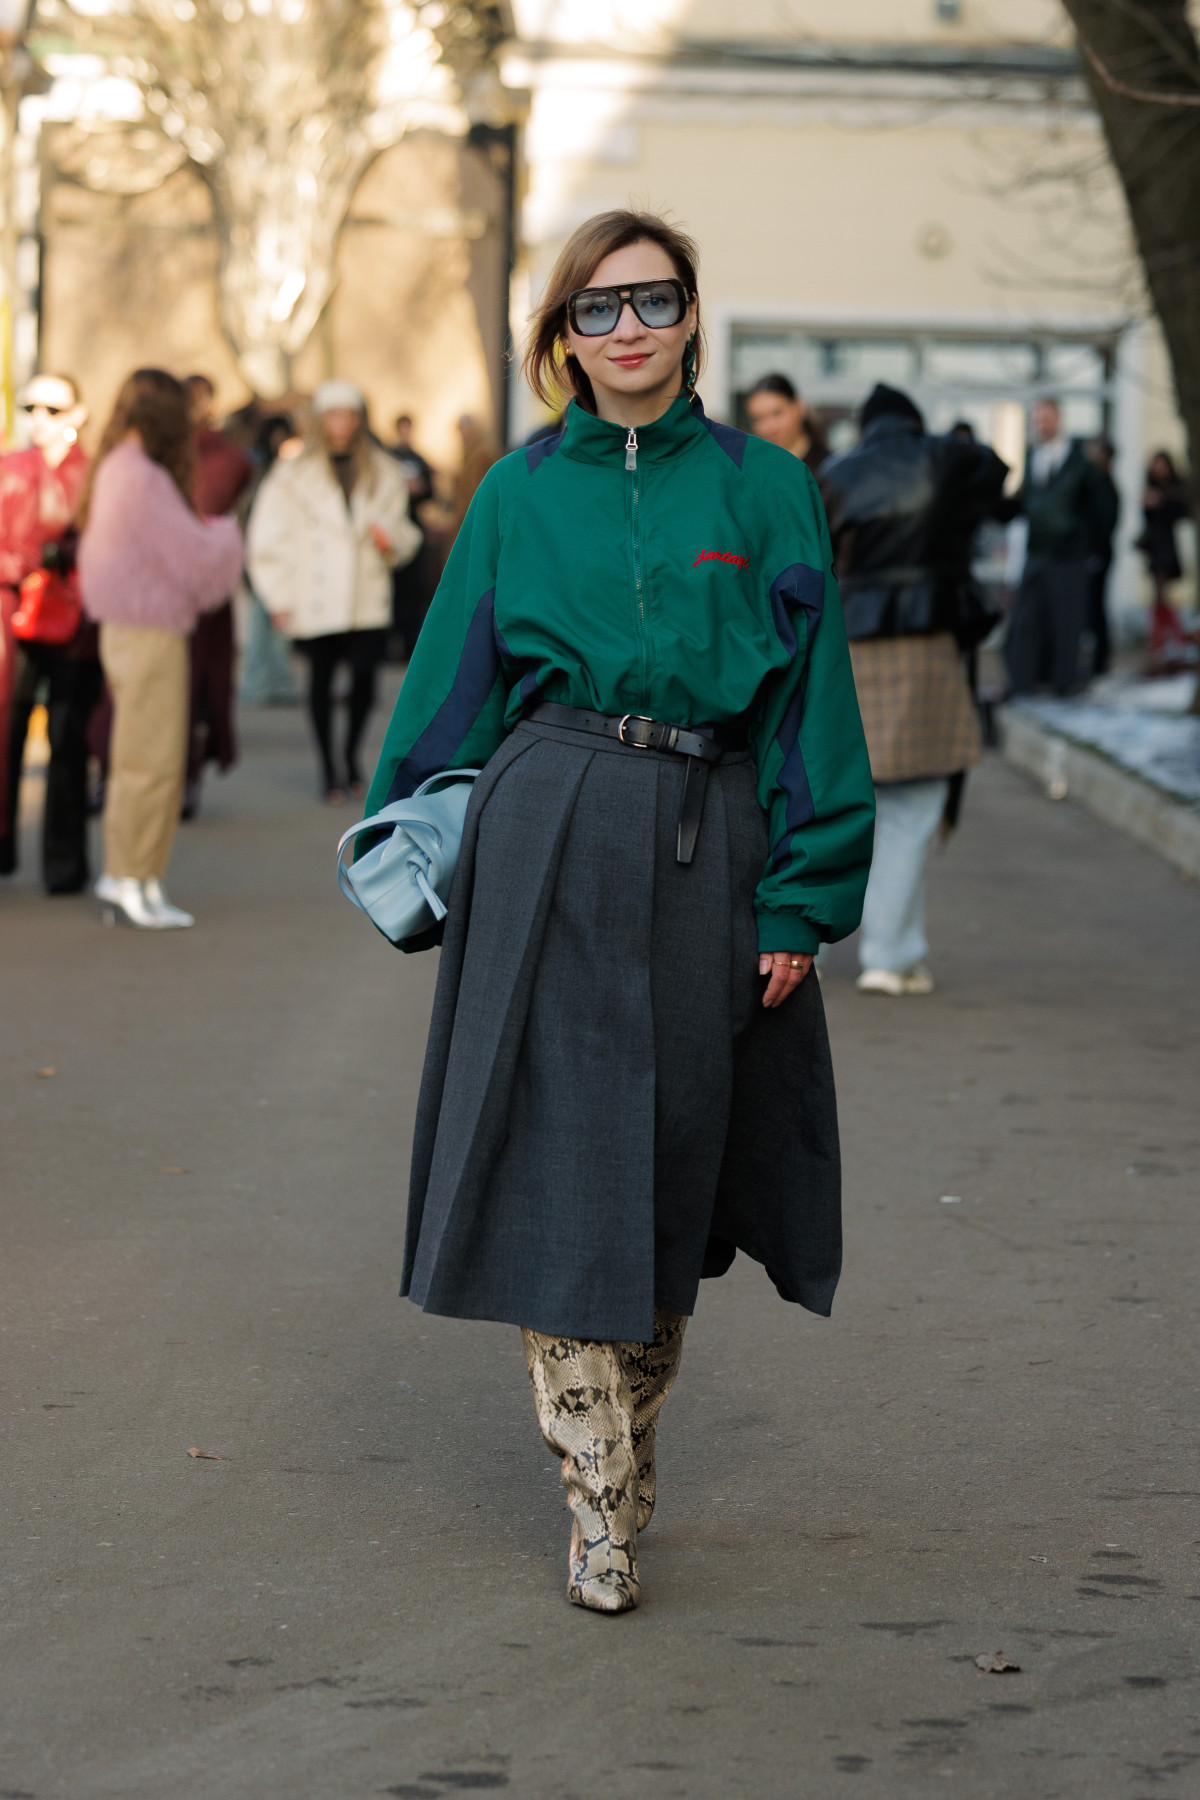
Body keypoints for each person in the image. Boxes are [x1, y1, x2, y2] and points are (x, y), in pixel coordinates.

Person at [364, 208, 875, 1614]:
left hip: (718, 843)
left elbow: (810, 700)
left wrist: (807, 895)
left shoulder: (769, 488)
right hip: (551, 829)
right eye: (596, 309)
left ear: (694, 317)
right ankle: (596, 1501)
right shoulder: (518, 496)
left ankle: (628, 1454)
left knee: (674, 1162)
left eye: (652, 301)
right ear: (561, 339)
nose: (629, 328)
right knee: (559, 1162)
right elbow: (449, 688)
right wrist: (408, 851)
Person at [820, 382, 1008, 996]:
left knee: (830, 806)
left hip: (848, 645)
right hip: (928, 643)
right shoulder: (945, 458)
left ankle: (806, 946)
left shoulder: (837, 471)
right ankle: (889, 956)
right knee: (910, 808)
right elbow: (996, 473)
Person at [78, 368, 243, 929]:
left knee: (136, 757)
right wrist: (225, 532)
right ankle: (132, 877)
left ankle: (133, 875)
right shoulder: (143, 475)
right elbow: (191, 552)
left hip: (128, 625)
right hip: (150, 628)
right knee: (153, 758)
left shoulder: (116, 467)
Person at [246, 380, 419, 802]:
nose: (341, 425)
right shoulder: (291, 474)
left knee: (364, 679)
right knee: (320, 683)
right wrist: (279, 597)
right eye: (334, 417)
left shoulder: (385, 470)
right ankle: (329, 767)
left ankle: (351, 756)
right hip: (314, 593)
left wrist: (391, 539)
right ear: (322, 422)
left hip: (365, 593)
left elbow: (405, 531)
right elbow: (268, 538)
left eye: (349, 416)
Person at [0, 373, 96, 892]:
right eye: (30, 407)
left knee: (67, 738)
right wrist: (28, 559)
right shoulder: (8, 468)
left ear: (78, 415)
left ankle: (65, 863)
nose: (39, 419)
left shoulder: (96, 475)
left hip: (78, 621)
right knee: (4, 734)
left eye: (53, 409)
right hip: (14, 617)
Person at [182, 375, 253, 818]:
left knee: (194, 686)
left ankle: (186, 774)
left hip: (197, 584)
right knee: (194, 686)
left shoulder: (219, 456)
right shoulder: (220, 456)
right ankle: (186, 775)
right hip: (190, 583)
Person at [1005, 397, 1110, 697]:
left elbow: (1100, 508)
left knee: (1067, 623)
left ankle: (1063, 685)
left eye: (1047, 418)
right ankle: (1023, 683)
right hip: (1037, 552)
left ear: (1059, 419)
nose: (1042, 424)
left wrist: (1087, 545)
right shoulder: (1032, 457)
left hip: (1069, 555)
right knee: (1026, 621)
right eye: (1038, 418)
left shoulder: (1079, 462)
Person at [238, 414, 301, 706]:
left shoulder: (293, 471)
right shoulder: (257, 469)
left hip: (283, 551)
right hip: (255, 547)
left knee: (278, 618)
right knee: (260, 618)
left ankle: (278, 678)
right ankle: (257, 680)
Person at [389, 413, 436, 661]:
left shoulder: (419, 460)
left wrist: (421, 490)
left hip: (413, 527)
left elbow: (431, 493)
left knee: (413, 592)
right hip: (391, 529)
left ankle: (410, 645)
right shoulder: (388, 457)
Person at [1137, 451, 1191, 666]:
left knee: (1162, 595)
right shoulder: (1151, 487)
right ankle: (1165, 640)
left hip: (1169, 547)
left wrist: (1161, 501)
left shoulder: (1175, 490)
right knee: (1158, 596)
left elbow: (1181, 513)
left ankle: (1173, 638)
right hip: (1155, 549)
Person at [1083, 436, 1120, 678]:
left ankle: (1100, 662)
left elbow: (1105, 522)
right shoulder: (1097, 483)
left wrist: (1095, 552)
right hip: (1095, 551)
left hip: (1098, 553)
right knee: (1092, 606)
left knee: (1096, 606)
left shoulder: (1105, 485)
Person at [745, 372, 828, 472]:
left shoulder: (828, 470)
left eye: (777, 414)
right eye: (758, 419)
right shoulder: (751, 472)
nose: (769, 428)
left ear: (798, 407)